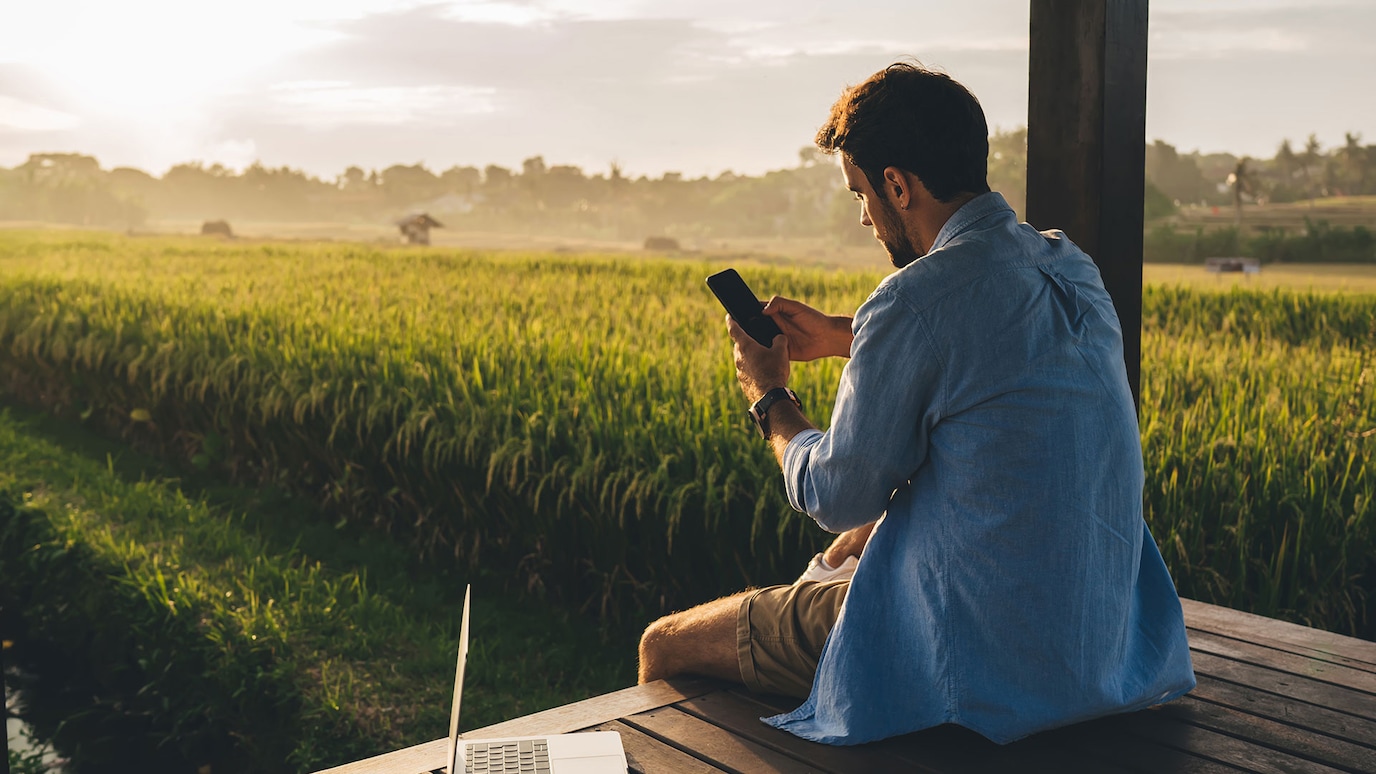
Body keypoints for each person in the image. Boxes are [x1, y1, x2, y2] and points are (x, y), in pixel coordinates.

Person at [637, 61, 1195, 745]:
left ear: (897, 185)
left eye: (860, 194)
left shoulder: (913, 299)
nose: (867, 218)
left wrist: (770, 396)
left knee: (664, 644)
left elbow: (835, 491)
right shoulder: (1067, 266)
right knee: (854, 547)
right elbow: (991, 349)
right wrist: (850, 337)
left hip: (980, 659)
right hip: (1106, 651)